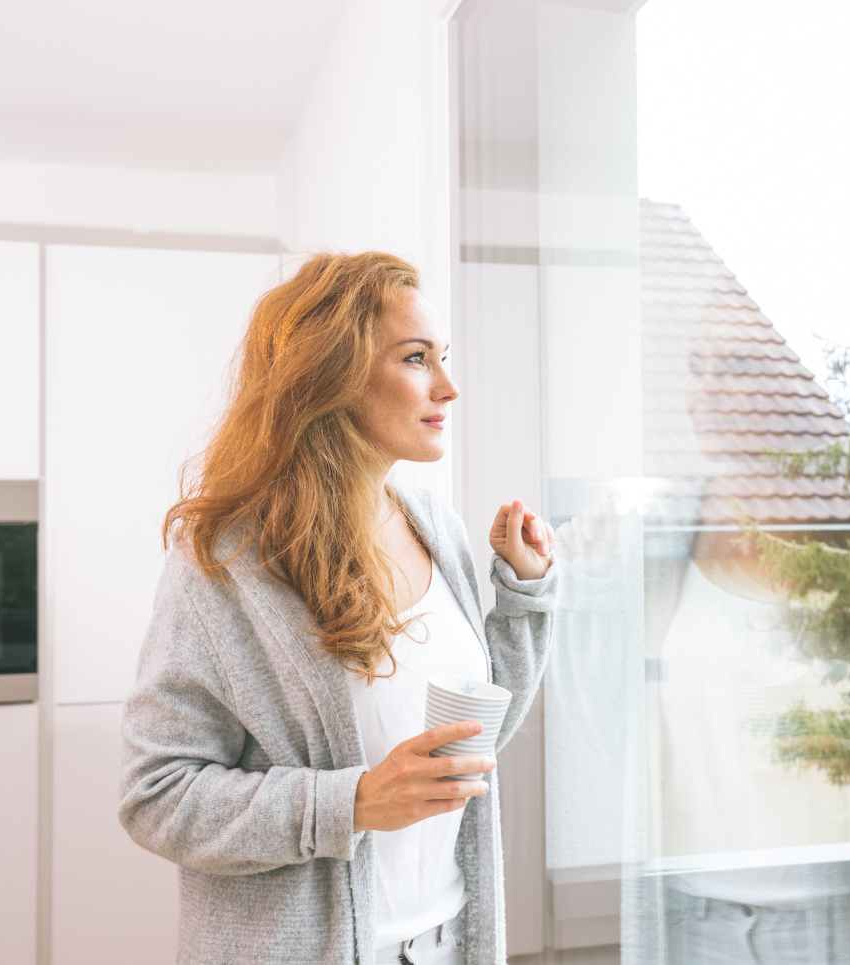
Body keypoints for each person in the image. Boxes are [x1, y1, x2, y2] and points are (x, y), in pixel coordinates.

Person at [118, 251, 558, 965]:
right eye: (417, 359)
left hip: (452, 943)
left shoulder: (434, 527)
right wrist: (349, 803)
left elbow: (469, 742)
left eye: (444, 357)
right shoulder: (226, 561)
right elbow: (156, 794)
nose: (449, 387)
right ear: (333, 375)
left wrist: (525, 592)